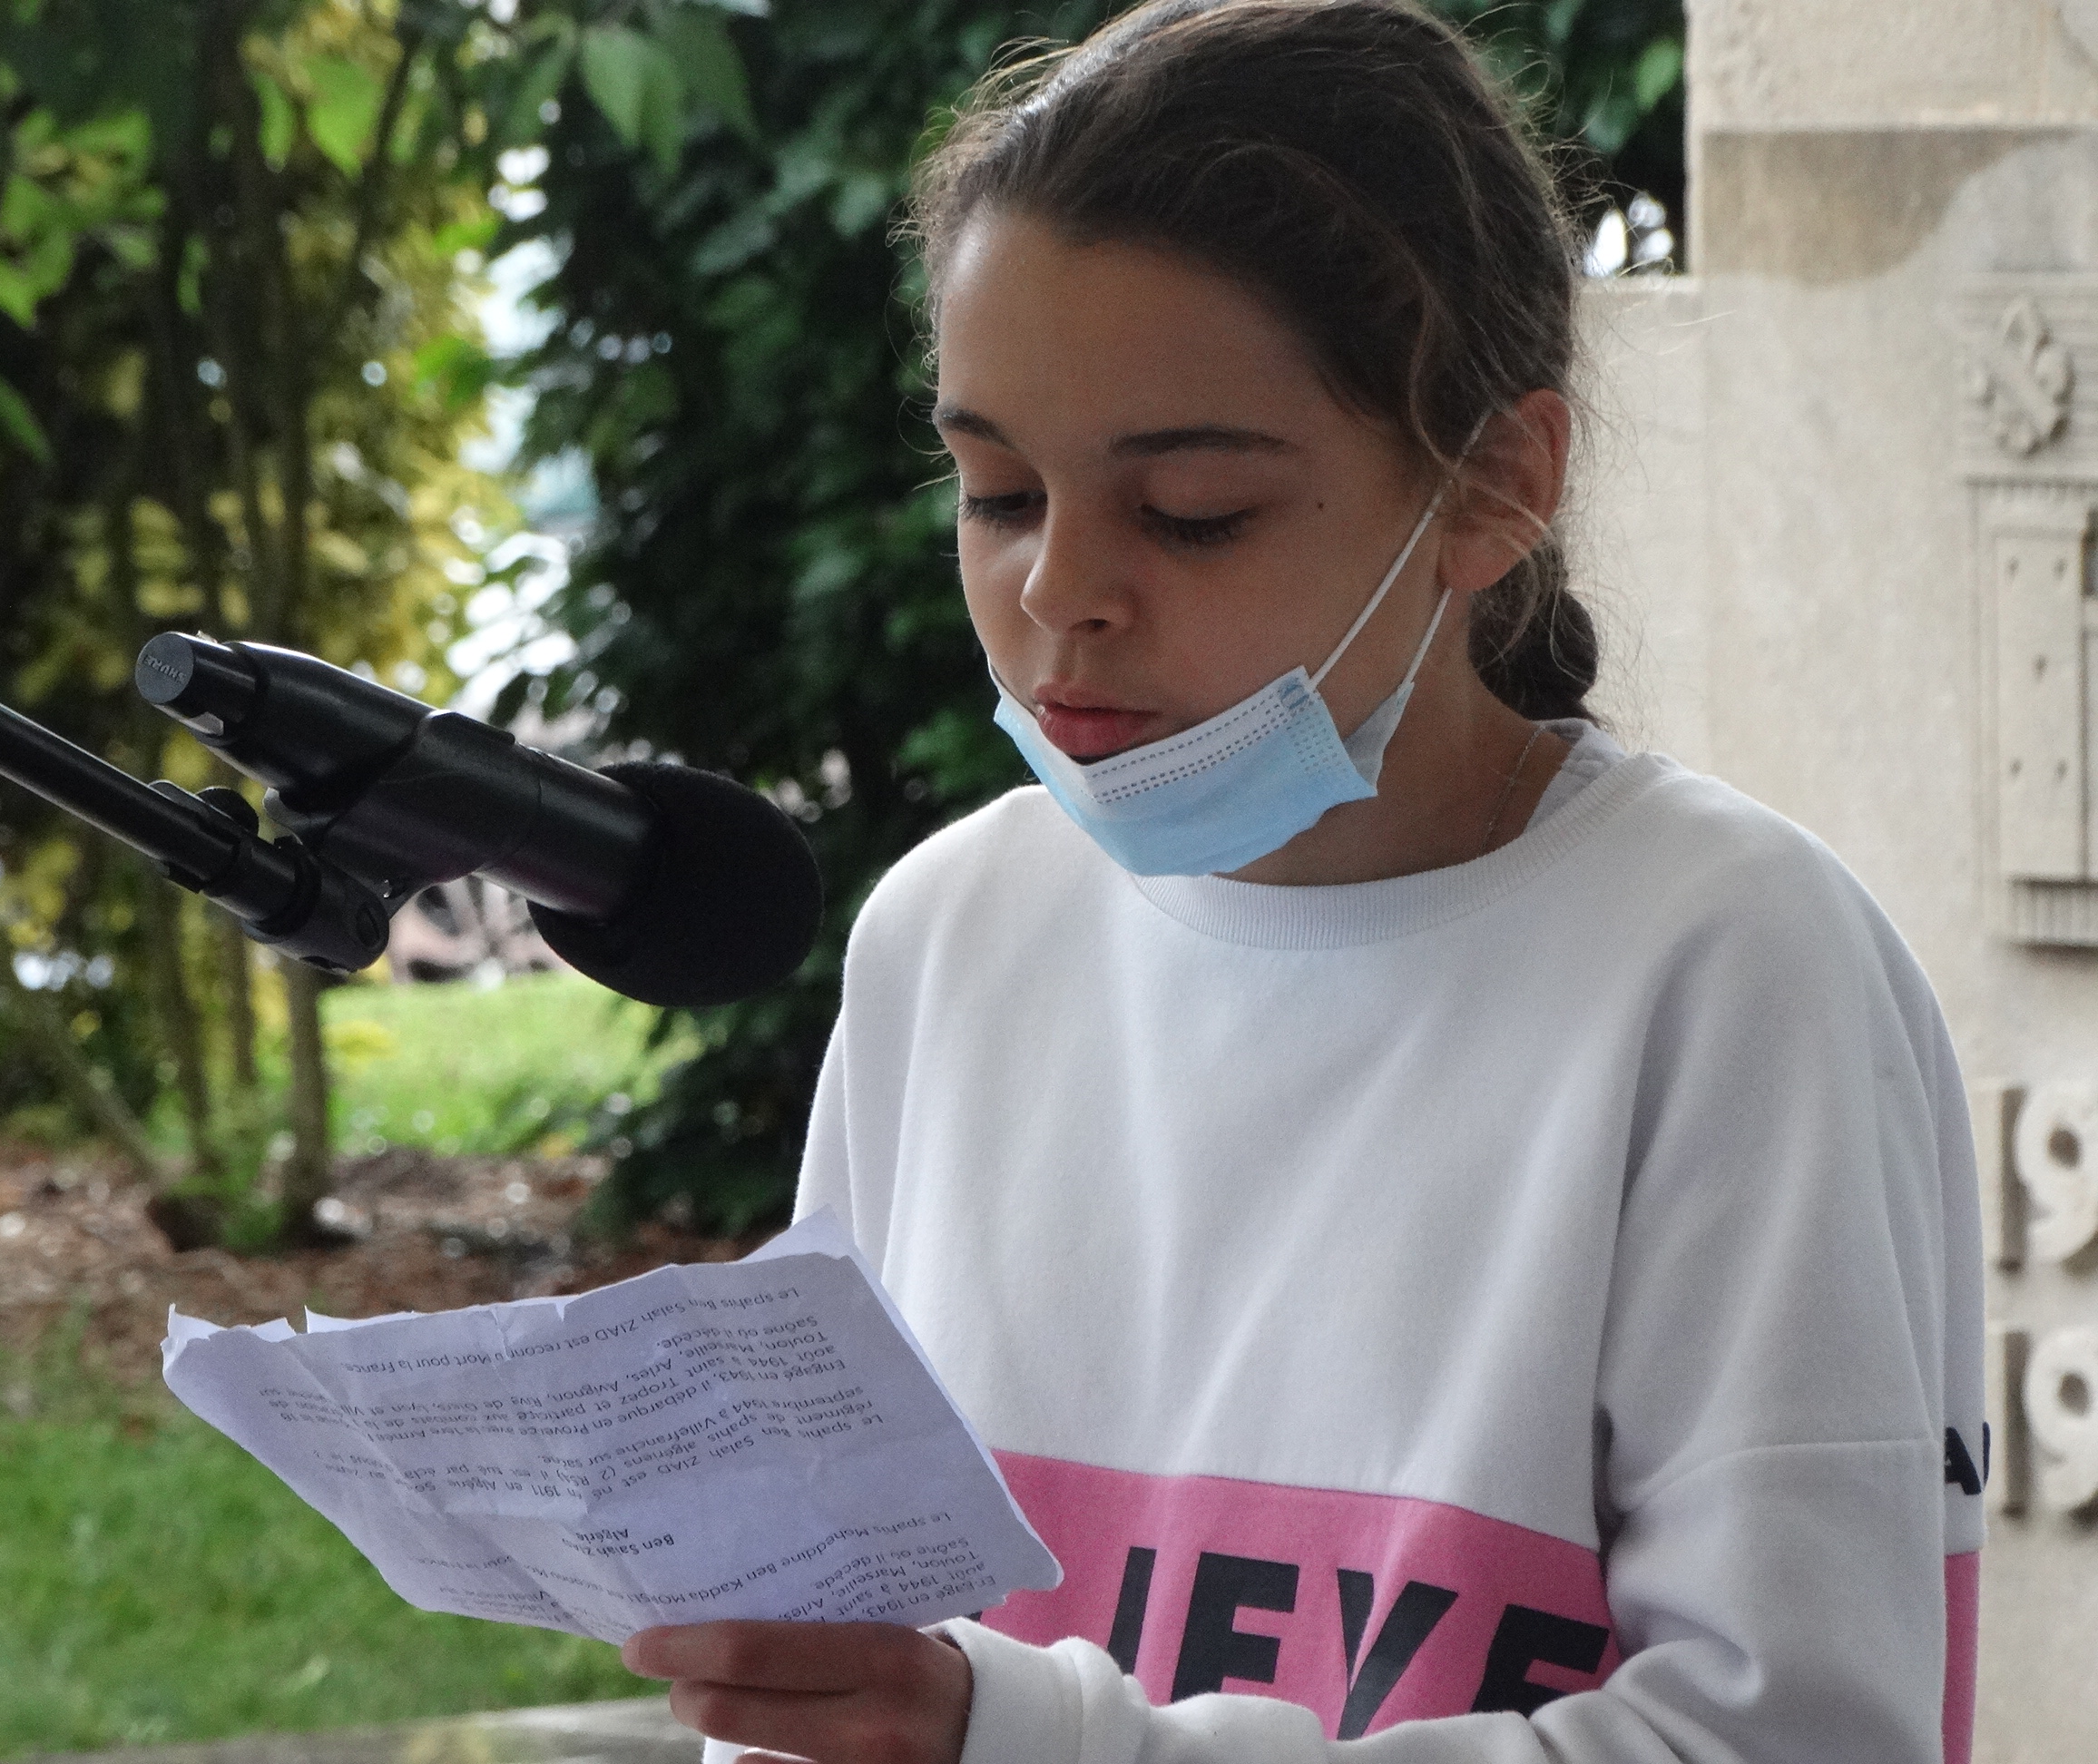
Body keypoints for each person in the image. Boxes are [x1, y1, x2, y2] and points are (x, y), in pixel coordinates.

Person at [622, 2, 1988, 1759]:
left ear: (1496, 485)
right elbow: (844, 1656)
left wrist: (1046, 1739)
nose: (1059, 592)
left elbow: (1792, 1733)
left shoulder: (1728, 967)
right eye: (998, 491)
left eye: (1192, 510)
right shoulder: (952, 933)